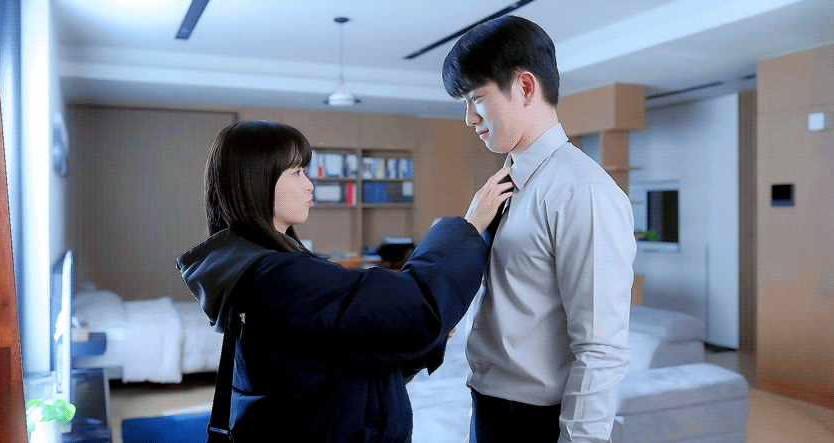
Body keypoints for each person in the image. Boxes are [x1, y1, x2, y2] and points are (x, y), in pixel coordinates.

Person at [175, 120, 513, 442]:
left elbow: (349, 355)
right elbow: (418, 303)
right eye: (297, 172)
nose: (309, 184)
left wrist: (417, 334)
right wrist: (470, 225)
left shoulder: (252, 270)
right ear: (256, 182)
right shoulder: (280, 279)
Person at [442, 16, 637, 443]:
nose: (469, 118)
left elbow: (600, 347)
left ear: (526, 87)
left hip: (535, 422)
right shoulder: (502, 186)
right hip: (488, 406)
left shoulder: (582, 192)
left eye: (476, 99)